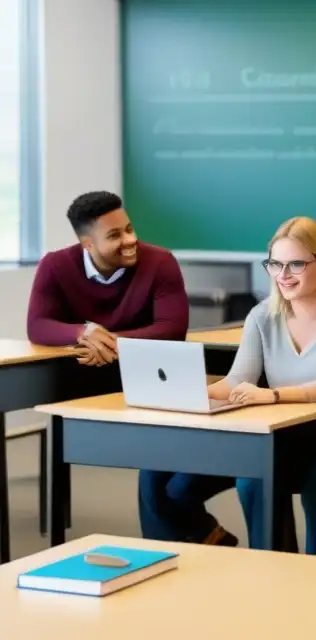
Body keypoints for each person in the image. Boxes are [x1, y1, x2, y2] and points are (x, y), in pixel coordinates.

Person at [25, 191, 238, 546]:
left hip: (152, 382)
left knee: (155, 476)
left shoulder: (160, 262)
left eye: (129, 228)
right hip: (87, 382)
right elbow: (38, 325)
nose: (129, 240)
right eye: (114, 235)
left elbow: (171, 329)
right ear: (86, 243)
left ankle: (182, 547)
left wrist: (108, 343)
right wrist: (83, 331)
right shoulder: (56, 265)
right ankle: (202, 538)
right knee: (156, 481)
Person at [207, 216, 316, 555]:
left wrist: (272, 396)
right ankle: (272, 566)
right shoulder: (262, 316)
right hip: (290, 439)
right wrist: (195, 391)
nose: (283, 275)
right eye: (275, 264)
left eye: (295, 264)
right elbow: (239, 380)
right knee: (253, 478)